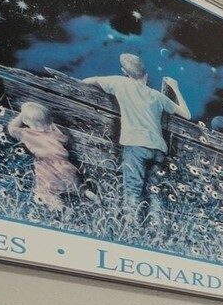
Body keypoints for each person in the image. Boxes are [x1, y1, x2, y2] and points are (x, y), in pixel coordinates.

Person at [80, 53, 189, 221]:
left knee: (133, 189)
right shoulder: (158, 96)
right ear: (146, 74)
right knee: (154, 192)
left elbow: (87, 81)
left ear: (125, 71)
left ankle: (131, 227)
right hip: (158, 148)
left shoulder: (120, 82)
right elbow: (187, 115)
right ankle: (157, 229)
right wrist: (175, 87)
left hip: (135, 145)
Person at [6, 101, 90, 211]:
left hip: (45, 165)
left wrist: (21, 115)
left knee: (46, 190)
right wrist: (52, 126)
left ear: (26, 121)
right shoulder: (55, 134)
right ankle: (88, 193)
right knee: (74, 185)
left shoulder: (26, 133)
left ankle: (60, 209)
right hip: (63, 163)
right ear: (49, 121)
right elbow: (66, 140)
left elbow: (11, 128)